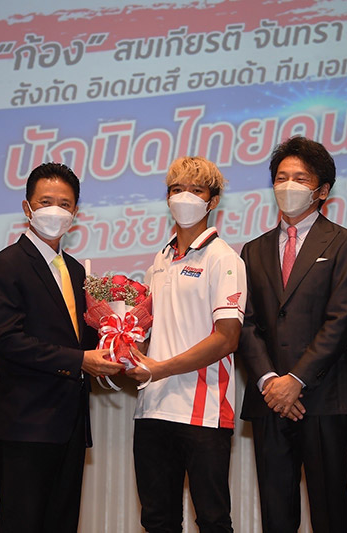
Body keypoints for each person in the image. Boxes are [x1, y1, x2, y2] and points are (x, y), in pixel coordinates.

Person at [0, 162, 123, 532]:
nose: (55, 211)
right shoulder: (4, 265)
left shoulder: (76, 271)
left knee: (63, 523)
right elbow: (8, 340)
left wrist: (120, 339)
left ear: (76, 212)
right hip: (26, 423)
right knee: (22, 524)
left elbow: (82, 338)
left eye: (65, 204)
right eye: (46, 202)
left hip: (70, 423)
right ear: (27, 207)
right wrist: (81, 360)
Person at [238, 137, 347, 532]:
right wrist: (270, 382)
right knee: (276, 515)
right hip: (269, 401)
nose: (288, 185)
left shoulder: (345, 244)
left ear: (322, 190)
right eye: (281, 178)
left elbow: (340, 321)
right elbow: (246, 323)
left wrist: (295, 380)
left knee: (329, 513)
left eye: (300, 178)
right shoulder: (252, 250)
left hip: (324, 399)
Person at [126, 156, 247, 533]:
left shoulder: (224, 259)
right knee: (157, 520)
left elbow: (227, 338)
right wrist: (124, 351)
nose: (185, 197)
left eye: (196, 190)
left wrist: (160, 368)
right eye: (177, 189)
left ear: (213, 201)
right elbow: (150, 333)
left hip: (203, 413)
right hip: (152, 409)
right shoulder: (159, 260)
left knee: (212, 520)